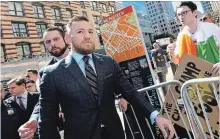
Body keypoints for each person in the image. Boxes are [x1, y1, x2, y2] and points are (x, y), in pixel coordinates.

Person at [38, 16, 174, 139]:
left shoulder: (108, 62)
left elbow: (130, 92)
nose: (87, 36)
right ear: (68, 38)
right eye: (80, 32)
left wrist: (155, 115)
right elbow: (47, 120)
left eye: (90, 32)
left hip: (114, 133)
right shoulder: (52, 74)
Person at [18, 27, 70, 139]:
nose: (53, 44)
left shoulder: (85, 60)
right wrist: (34, 119)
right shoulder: (45, 72)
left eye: (56, 39)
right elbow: (44, 101)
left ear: (66, 39)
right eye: (48, 42)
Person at [167, 1, 220, 75]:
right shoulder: (181, 36)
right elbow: (177, 61)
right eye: (178, 15)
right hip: (197, 80)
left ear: (194, 13)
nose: (181, 17)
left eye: (184, 13)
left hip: (216, 74)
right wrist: (171, 52)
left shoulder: (211, 28)